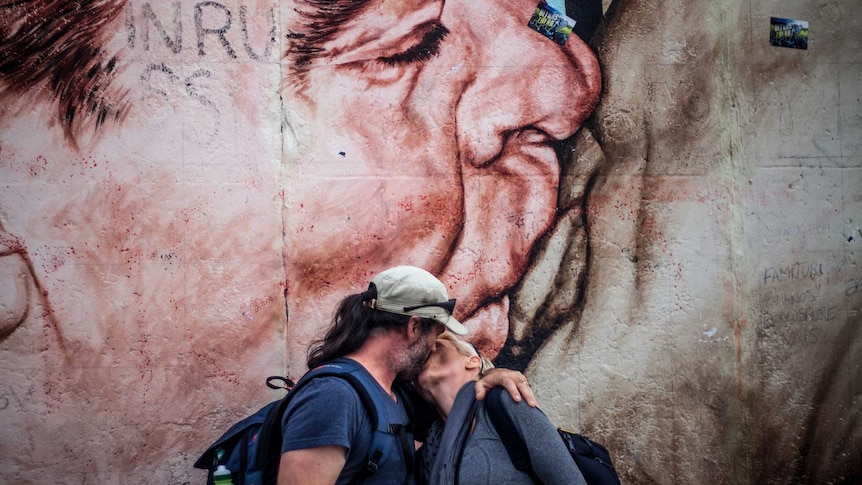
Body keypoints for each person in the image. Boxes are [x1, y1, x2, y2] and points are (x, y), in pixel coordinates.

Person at [278, 265, 536, 485]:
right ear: (414, 326)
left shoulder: (397, 394)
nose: (434, 345)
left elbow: (456, 412)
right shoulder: (333, 397)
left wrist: (491, 377)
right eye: (435, 335)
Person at [414, 331, 585, 485]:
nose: (431, 346)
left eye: (439, 344)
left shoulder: (504, 403)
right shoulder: (430, 451)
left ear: (473, 361)